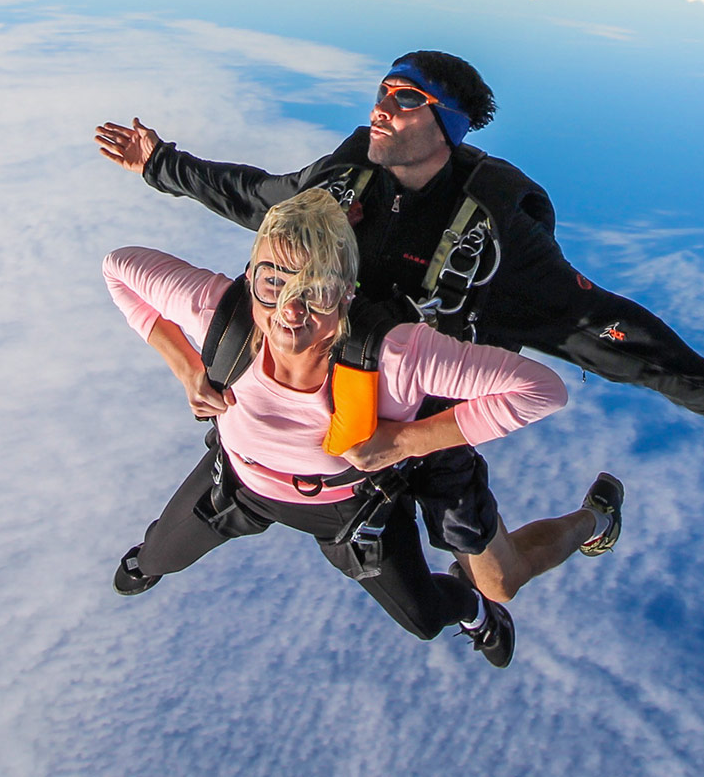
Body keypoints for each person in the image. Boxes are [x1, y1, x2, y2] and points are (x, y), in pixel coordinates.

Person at [95, 51, 704, 604]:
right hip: (320, 381)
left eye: (404, 101)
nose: (379, 111)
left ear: (449, 125)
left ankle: (594, 519)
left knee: (497, 583)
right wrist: (158, 163)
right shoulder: (345, 179)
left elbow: (603, 328)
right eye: (379, 94)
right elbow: (255, 196)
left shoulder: (493, 234)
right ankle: (162, 553)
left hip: (429, 417)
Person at [104, 188, 567, 667]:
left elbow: (542, 391)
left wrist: (405, 442)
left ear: (348, 294)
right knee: (153, 559)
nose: (290, 310)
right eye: (272, 282)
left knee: (426, 620)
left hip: (351, 514)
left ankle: (474, 610)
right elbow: (118, 269)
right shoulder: (219, 313)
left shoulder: (394, 354)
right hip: (237, 484)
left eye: (317, 290)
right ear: (250, 277)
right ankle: (150, 561)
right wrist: (187, 367)